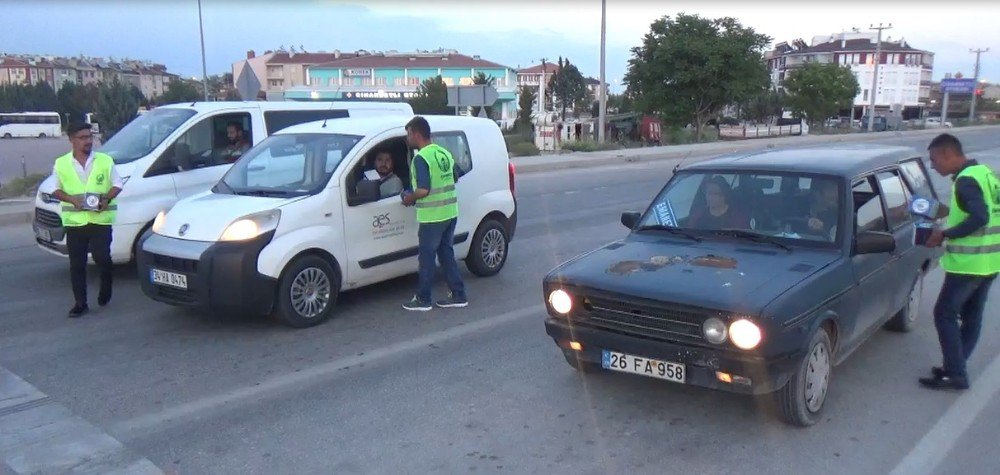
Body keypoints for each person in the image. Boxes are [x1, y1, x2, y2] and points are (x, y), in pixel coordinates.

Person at [920, 133, 1000, 390]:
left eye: (934, 160)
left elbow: (979, 217)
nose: (933, 166)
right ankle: (955, 367)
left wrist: (944, 233)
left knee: (944, 314)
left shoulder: (966, 181)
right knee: (972, 317)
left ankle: (955, 373)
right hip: (990, 261)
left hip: (970, 264)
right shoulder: (984, 173)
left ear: (947, 154)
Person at [52, 122, 123, 318]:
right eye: (83, 137)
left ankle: (106, 284)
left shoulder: (104, 160)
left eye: (90, 137)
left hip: (100, 219)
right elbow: (56, 189)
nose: (88, 141)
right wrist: (71, 199)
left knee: (102, 258)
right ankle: (80, 303)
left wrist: (107, 198)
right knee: (77, 264)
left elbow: (117, 183)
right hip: (75, 222)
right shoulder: (61, 163)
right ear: (72, 140)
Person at [400, 116, 467, 311]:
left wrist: (407, 198)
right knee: (446, 255)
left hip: (432, 216)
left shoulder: (421, 158)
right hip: (450, 213)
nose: (407, 138)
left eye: (409, 134)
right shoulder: (443, 152)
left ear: (417, 134)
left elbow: (423, 190)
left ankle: (423, 299)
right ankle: (458, 294)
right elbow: (456, 176)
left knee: (427, 259)